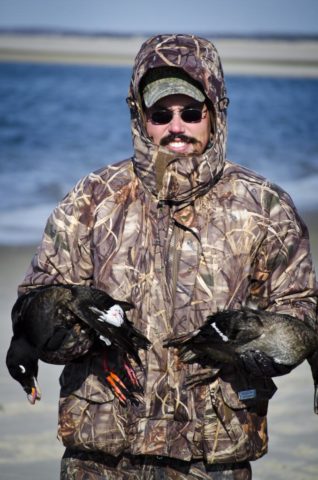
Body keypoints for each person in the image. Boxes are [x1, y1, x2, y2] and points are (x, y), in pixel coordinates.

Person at [17, 34, 317, 479]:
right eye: (161, 113)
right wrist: (74, 335)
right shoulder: (92, 198)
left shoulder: (265, 206)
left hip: (213, 458)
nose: (176, 126)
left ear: (215, 111)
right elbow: (38, 297)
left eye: (191, 111)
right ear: (140, 117)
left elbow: (302, 307)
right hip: (100, 459)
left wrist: (258, 345)